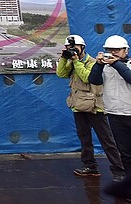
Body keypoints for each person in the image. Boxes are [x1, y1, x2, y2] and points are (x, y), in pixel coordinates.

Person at [56, 34, 125, 181]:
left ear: (83, 48)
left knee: (107, 141)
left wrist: (76, 62)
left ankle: (119, 171)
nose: (72, 50)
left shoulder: (93, 62)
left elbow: (87, 77)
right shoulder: (71, 62)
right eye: (69, 47)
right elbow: (61, 74)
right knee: (84, 138)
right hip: (78, 106)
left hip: (95, 107)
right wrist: (64, 58)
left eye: (74, 47)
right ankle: (89, 165)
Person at [89, 35, 131, 175]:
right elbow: (94, 80)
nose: (113, 53)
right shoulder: (106, 67)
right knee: (124, 152)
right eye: (109, 50)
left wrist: (116, 64)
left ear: (126, 50)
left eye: (117, 50)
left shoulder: (128, 64)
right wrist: (98, 64)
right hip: (115, 114)